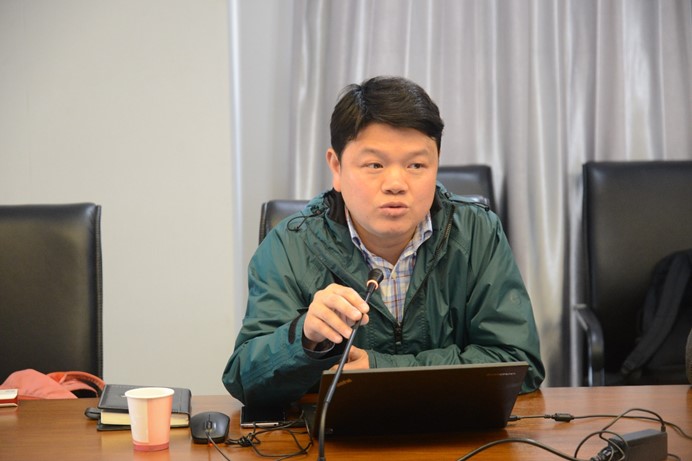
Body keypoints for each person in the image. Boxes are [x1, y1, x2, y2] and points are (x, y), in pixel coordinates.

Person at [222, 76, 544, 406]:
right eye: (374, 164)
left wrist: (378, 369)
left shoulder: (476, 232)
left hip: (457, 429)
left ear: (436, 164)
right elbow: (245, 380)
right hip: (336, 435)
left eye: (416, 165)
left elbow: (519, 364)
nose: (395, 183)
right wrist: (303, 338)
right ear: (336, 167)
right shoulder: (289, 246)